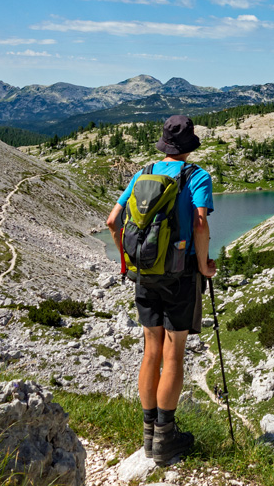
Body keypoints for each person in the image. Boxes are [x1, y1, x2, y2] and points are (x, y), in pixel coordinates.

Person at [106, 114, 216, 466]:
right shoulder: (196, 176)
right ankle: (165, 441)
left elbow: (113, 221)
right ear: (190, 144)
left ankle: (147, 433)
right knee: (174, 354)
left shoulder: (144, 172)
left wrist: (126, 262)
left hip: (144, 275)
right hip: (179, 277)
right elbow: (200, 223)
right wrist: (203, 265)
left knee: (150, 351)